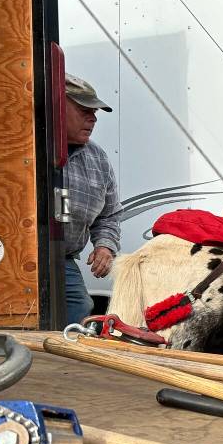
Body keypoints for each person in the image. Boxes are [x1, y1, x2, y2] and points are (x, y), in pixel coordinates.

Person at [63, 73, 121, 326]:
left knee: (79, 305)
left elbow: (108, 215)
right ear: (56, 107)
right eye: (84, 109)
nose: (94, 118)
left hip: (62, 257)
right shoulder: (25, 147)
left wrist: (105, 245)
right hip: (21, 258)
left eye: (94, 111)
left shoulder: (97, 158)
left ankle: (61, 362)